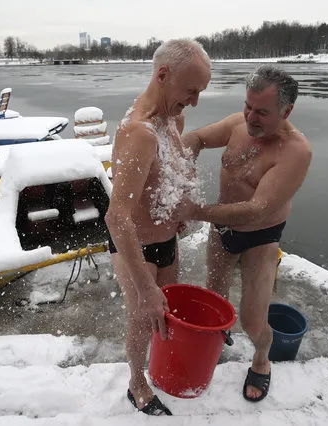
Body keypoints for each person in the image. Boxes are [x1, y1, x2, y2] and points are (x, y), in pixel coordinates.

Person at [178, 66, 311, 402]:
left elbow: (257, 208)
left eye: (262, 112)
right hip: (222, 230)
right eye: (248, 106)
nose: (251, 117)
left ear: (287, 111)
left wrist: (197, 212)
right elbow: (196, 138)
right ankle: (215, 343)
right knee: (214, 298)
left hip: (260, 236)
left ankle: (262, 360)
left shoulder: (296, 151)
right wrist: (182, 169)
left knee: (253, 319)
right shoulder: (239, 124)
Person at [104, 38, 211, 416]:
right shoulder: (139, 133)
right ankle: (136, 383)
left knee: (166, 315)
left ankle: (162, 364)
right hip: (136, 246)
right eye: (192, 91)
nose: (195, 101)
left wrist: (175, 209)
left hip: (166, 241)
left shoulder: (172, 118)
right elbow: (116, 217)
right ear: (163, 75)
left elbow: (163, 176)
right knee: (142, 315)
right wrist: (146, 288)